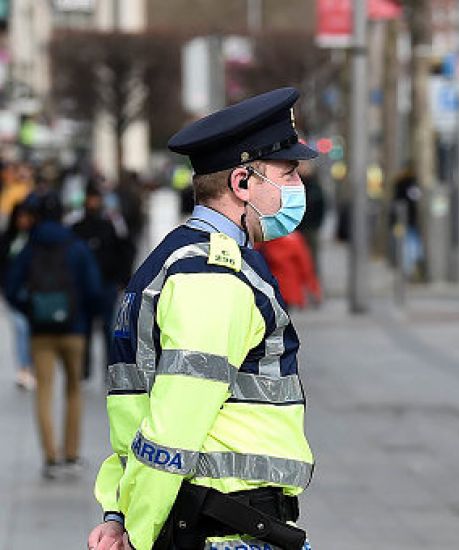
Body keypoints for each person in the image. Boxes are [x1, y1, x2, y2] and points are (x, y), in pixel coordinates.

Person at [86, 87, 318, 550]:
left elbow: (139, 412)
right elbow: (175, 422)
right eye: (287, 173)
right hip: (225, 530)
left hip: (209, 523)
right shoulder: (213, 276)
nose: (296, 185)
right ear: (243, 183)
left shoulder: (176, 259)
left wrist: (120, 512)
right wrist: (139, 533)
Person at [4, 192, 102, 479]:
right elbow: (94, 288)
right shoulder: (76, 246)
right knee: (73, 390)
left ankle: (50, 457)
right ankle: (71, 454)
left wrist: (31, 310)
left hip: (40, 332)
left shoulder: (29, 247)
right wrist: (85, 316)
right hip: (74, 330)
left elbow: (11, 288)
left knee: (44, 391)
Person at [72, 185, 127, 381]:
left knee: (107, 330)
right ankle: (84, 369)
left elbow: (122, 251)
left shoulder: (109, 225)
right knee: (85, 329)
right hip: (84, 289)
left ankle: (107, 370)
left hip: (106, 285)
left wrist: (122, 278)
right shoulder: (77, 227)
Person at [0, 200, 37, 390]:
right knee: (22, 328)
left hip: (33, 292)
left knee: (31, 330)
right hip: (13, 293)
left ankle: (30, 365)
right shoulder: (8, 239)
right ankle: (24, 368)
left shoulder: (36, 239)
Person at [256, 229, 322, 309]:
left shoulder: (262, 238)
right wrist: (313, 289)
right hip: (287, 289)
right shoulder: (293, 238)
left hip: (269, 288)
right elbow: (305, 266)